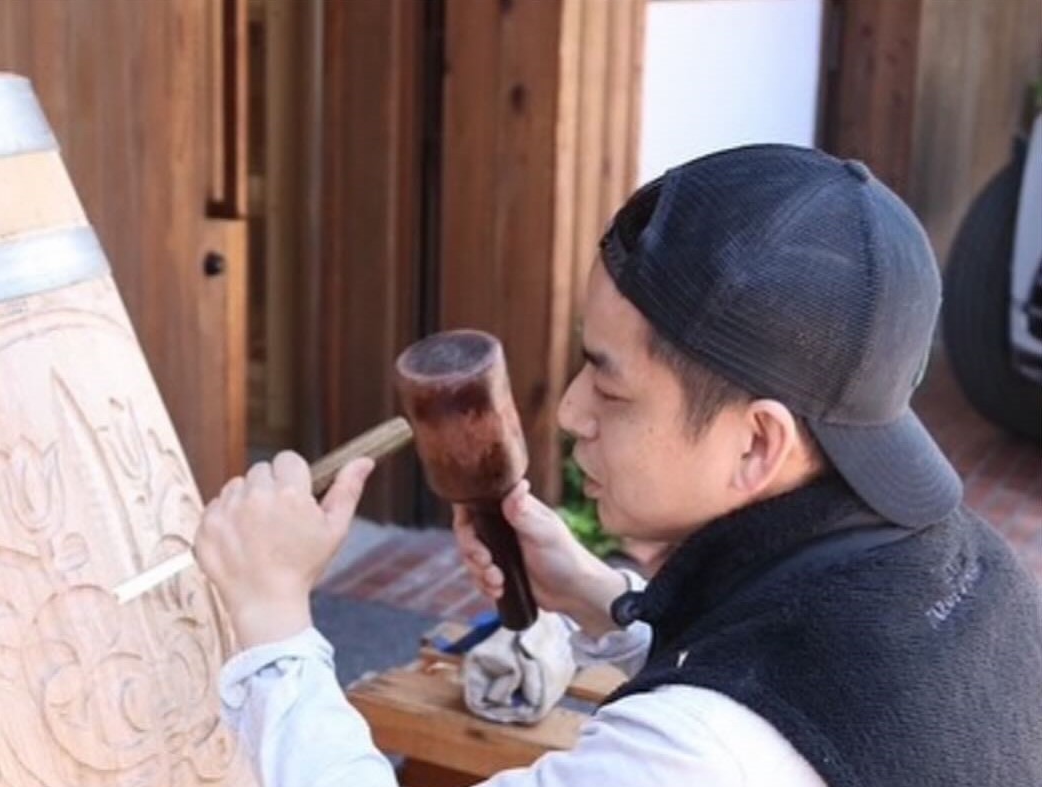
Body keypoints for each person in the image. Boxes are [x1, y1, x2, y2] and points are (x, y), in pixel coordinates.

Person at [192, 145, 1042, 786]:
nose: (569, 411)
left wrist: (273, 620)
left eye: (609, 384)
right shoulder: (981, 575)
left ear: (756, 443)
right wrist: (606, 599)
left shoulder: (696, 752)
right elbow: (782, 643)